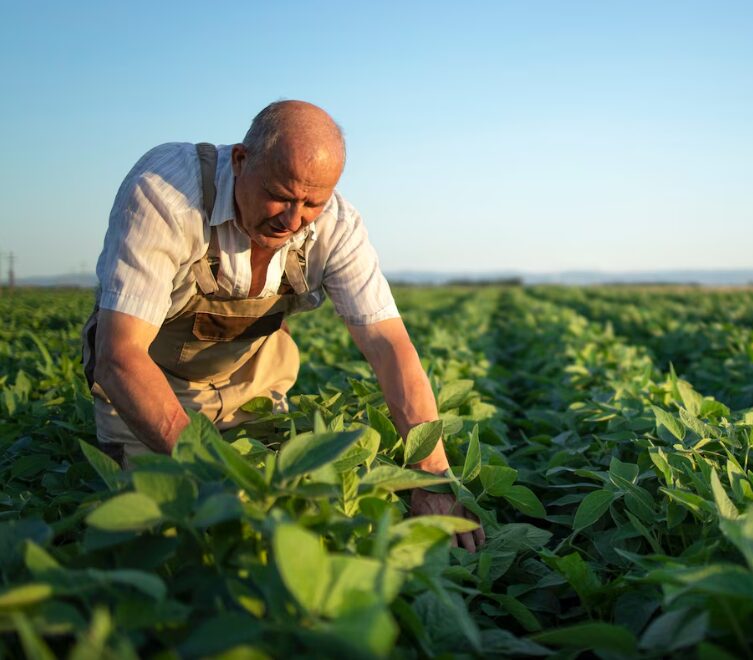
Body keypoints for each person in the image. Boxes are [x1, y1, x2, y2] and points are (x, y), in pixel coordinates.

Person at [82, 100, 484, 551]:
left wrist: (429, 479)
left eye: (312, 202)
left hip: (253, 385)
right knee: (169, 534)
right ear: (240, 161)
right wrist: (219, 477)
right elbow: (119, 358)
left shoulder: (337, 226)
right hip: (149, 388)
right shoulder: (166, 192)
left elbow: (389, 347)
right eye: (281, 194)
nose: (293, 220)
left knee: (298, 524)